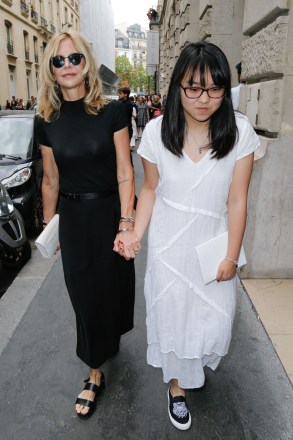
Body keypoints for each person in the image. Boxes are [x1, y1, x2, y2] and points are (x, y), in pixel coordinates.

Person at [116, 41, 259, 430]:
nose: (203, 98)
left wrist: (231, 256)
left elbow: (237, 200)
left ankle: (194, 364)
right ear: (178, 86)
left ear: (225, 90)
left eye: (214, 89)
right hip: (170, 244)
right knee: (176, 315)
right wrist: (134, 233)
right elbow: (150, 189)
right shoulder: (159, 131)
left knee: (213, 318)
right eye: (193, 88)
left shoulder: (240, 131)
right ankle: (177, 386)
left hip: (213, 238)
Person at [36, 31, 136, 419]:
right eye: (58, 61)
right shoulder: (47, 120)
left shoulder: (112, 112)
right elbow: (50, 179)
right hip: (74, 220)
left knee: (111, 288)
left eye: (74, 58)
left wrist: (127, 222)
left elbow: (126, 172)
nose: (67, 67)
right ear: (50, 68)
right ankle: (94, 373)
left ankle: (108, 338)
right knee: (82, 293)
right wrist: (50, 226)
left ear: (86, 62)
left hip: (110, 213)